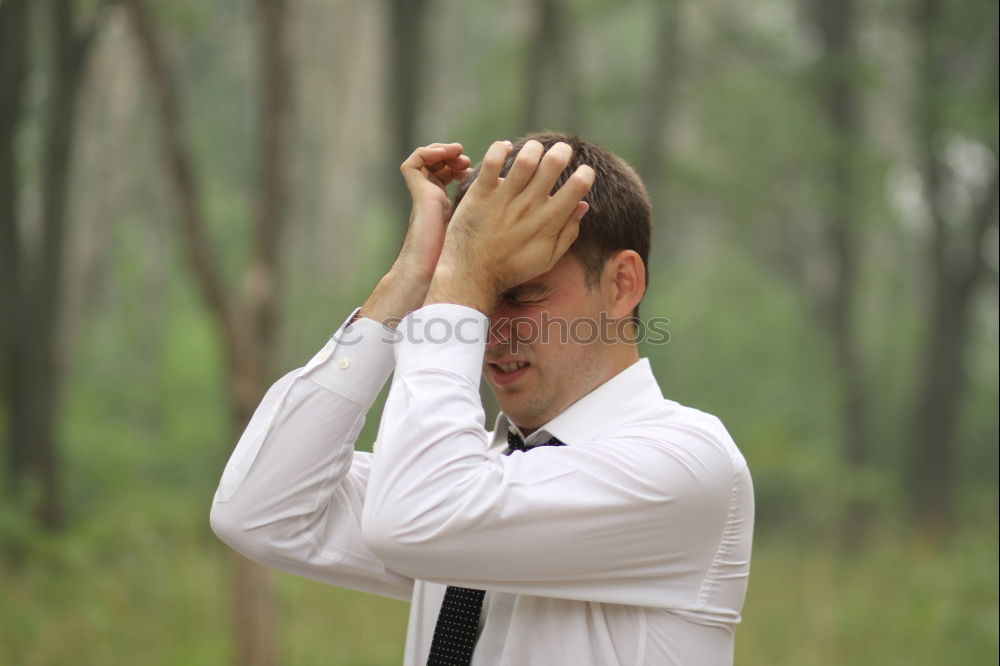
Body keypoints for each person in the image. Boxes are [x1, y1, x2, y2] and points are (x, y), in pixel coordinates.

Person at [210, 132, 754, 666]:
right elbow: (259, 511)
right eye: (476, 298)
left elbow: (419, 517)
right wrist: (413, 276)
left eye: (517, 294)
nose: (485, 332)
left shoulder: (685, 464)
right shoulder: (465, 477)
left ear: (621, 284)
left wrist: (462, 281)